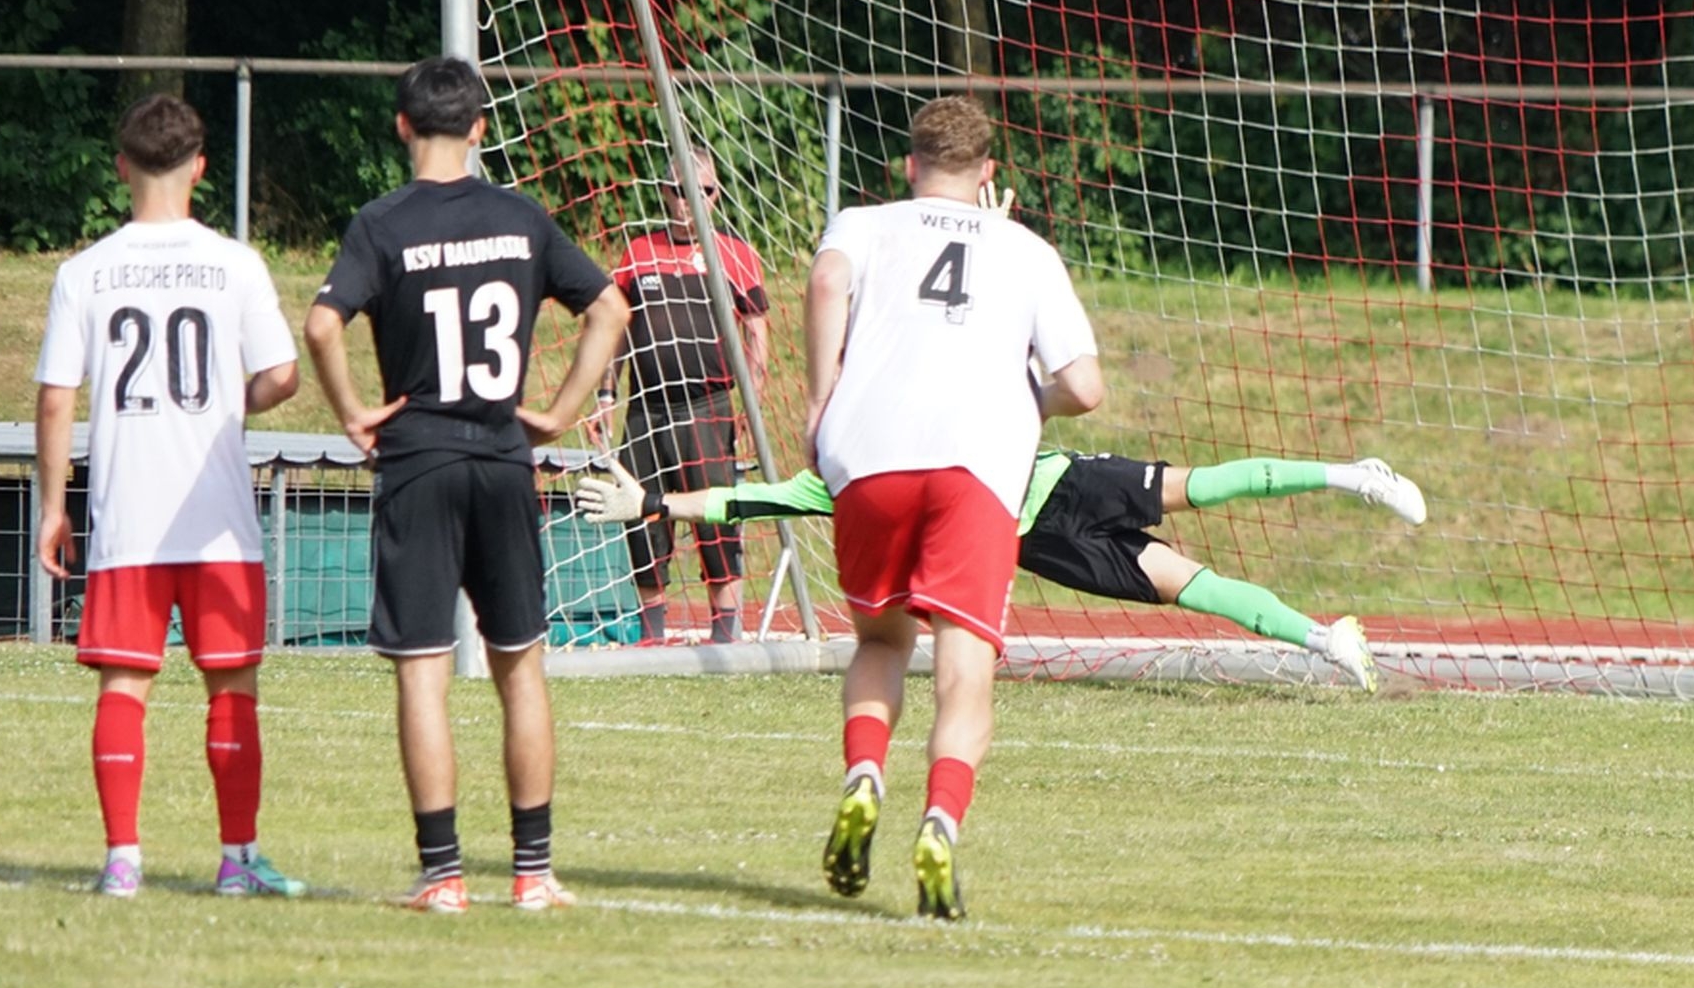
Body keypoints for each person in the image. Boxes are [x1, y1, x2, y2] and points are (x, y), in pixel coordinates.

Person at [302, 56, 629, 915]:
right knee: (520, 666)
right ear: (481, 127)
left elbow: (322, 325)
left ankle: (443, 876)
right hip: (501, 457)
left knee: (423, 672)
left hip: (419, 459)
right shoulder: (520, 217)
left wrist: (353, 412)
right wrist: (559, 413)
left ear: (402, 126)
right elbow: (609, 309)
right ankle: (534, 873)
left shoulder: (382, 223)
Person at [804, 95, 1104, 920]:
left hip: (868, 453)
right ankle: (939, 820)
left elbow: (827, 279)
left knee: (880, 639)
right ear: (988, 172)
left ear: (909, 166)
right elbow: (1085, 384)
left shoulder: (865, 223)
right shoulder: (1026, 249)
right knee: (964, 670)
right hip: (974, 464)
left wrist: (820, 399)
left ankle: (865, 774)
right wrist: (1030, 399)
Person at [34, 93, 304, 900]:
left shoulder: (84, 272)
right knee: (232, 686)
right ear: (200, 169)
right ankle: (237, 860)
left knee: (124, 685)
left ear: (122, 167)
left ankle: (123, 860)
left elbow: (56, 397)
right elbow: (283, 374)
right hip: (217, 520)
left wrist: (54, 507)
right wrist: (231, 404)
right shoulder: (236, 264)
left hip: (130, 517)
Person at [574, 448, 1425, 690]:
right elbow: (744, 500)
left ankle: (1352, 475)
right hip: (1038, 543)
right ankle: (1327, 640)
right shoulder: (837, 476)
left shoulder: (927, 397)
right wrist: (651, 502)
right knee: (1188, 587)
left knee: (1195, 487)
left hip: (1062, 481)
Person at [595, 146, 769, 644]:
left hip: (706, 408)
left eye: (702, 190)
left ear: (715, 196)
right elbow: (615, 328)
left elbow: (757, 330)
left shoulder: (734, 254)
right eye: (678, 190)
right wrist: (605, 394)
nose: (688, 200)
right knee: (642, 517)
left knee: (715, 518)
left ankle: (725, 634)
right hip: (645, 408)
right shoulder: (638, 252)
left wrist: (753, 399)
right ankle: (651, 633)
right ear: (664, 193)